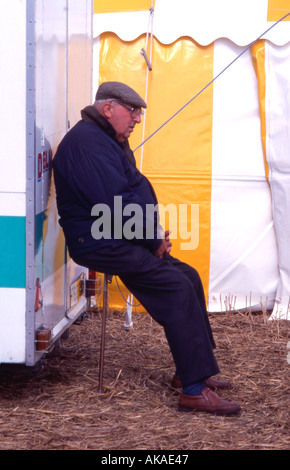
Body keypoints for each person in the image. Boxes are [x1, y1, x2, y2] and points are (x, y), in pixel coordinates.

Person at [53, 81, 241, 415]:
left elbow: (125, 198)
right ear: (108, 108)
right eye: (133, 110)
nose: (138, 118)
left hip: (116, 236)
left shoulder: (104, 138)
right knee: (176, 287)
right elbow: (114, 205)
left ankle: (190, 373)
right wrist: (152, 241)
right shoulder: (87, 143)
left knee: (189, 276)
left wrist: (152, 236)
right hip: (98, 242)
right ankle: (193, 392)